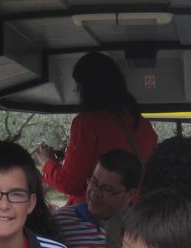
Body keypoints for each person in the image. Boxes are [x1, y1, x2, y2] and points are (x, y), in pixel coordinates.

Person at [34, 52, 158, 205]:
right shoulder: (143, 125)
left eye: (78, 87)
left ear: (86, 89)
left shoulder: (86, 124)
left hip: (96, 212)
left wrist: (48, 162)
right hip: (134, 210)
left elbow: (69, 184)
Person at [53, 150, 141, 248]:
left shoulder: (143, 228)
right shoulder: (59, 221)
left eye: (107, 189)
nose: (95, 192)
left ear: (130, 194)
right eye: (94, 182)